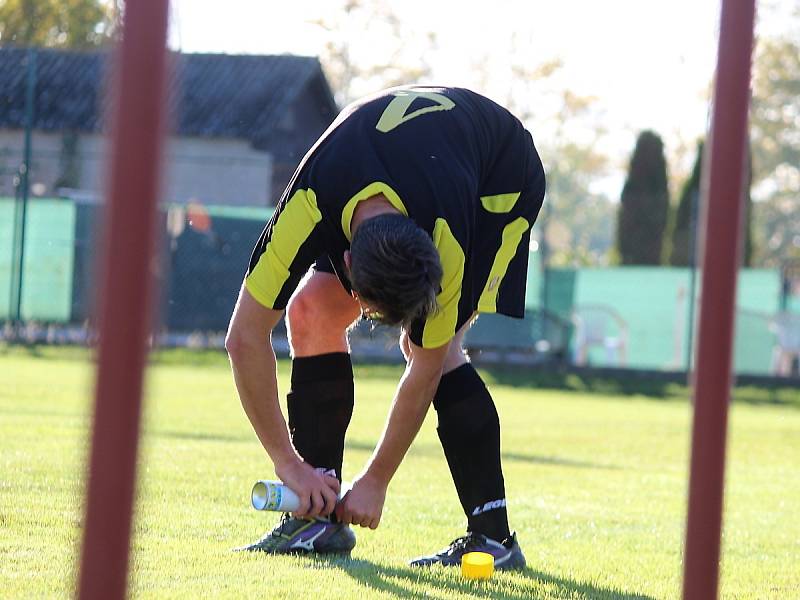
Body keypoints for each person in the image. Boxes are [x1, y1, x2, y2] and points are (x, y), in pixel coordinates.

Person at [225, 85, 545, 568]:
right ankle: (317, 520)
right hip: (397, 167)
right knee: (311, 309)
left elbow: (428, 366)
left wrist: (376, 479)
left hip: (498, 178)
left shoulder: (447, 234)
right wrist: (289, 466)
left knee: (436, 348)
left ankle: (493, 538)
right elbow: (243, 337)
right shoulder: (309, 200)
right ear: (348, 260)